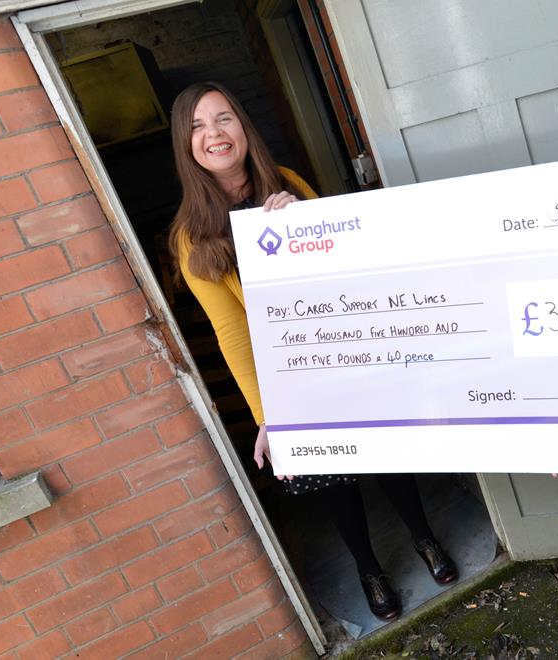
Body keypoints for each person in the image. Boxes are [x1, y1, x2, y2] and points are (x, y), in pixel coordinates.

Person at [168, 82, 457, 622]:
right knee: (332, 479)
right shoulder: (192, 238)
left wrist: (302, 222)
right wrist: (267, 416)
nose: (214, 134)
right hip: (291, 377)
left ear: (243, 127)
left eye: (224, 118)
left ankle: (424, 537)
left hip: (343, 352)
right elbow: (233, 334)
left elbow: (343, 269)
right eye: (198, 126)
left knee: (387, 454)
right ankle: (368, 568)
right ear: (186, 145)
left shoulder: (290, 184)